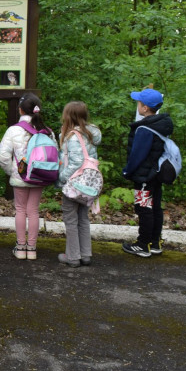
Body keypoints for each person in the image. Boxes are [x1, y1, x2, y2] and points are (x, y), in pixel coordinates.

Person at [0, 93, 55, 261]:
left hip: (20, 178)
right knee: (34, 211)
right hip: (39, 176)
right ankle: (32, 248)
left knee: (21, 210)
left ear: (20, 110)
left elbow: (2, 156)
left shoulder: (13, 130)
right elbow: (53, 155)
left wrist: (13, 171)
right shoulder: (47, 131)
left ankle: (21, 247)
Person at [122, 88, 173, 257]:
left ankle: (143, 244)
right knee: (155, 207)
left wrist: (128, 171)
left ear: (144, 108)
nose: (137, 105)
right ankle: (155, 242)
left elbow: (137, 155)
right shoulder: (161, 124)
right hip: (156, 173)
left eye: (139, 103)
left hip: (144, 175)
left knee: (144, 207)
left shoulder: (144, 128)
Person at [56, 102, 102, 267]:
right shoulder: (91, 134)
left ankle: (73, 256)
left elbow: (75, 163)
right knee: (83, 218)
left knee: (70, 219)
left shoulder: (73, 136)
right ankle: (85, 254)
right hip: (88, 185)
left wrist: (61, 178)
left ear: (68, 116)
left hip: (74, 185)